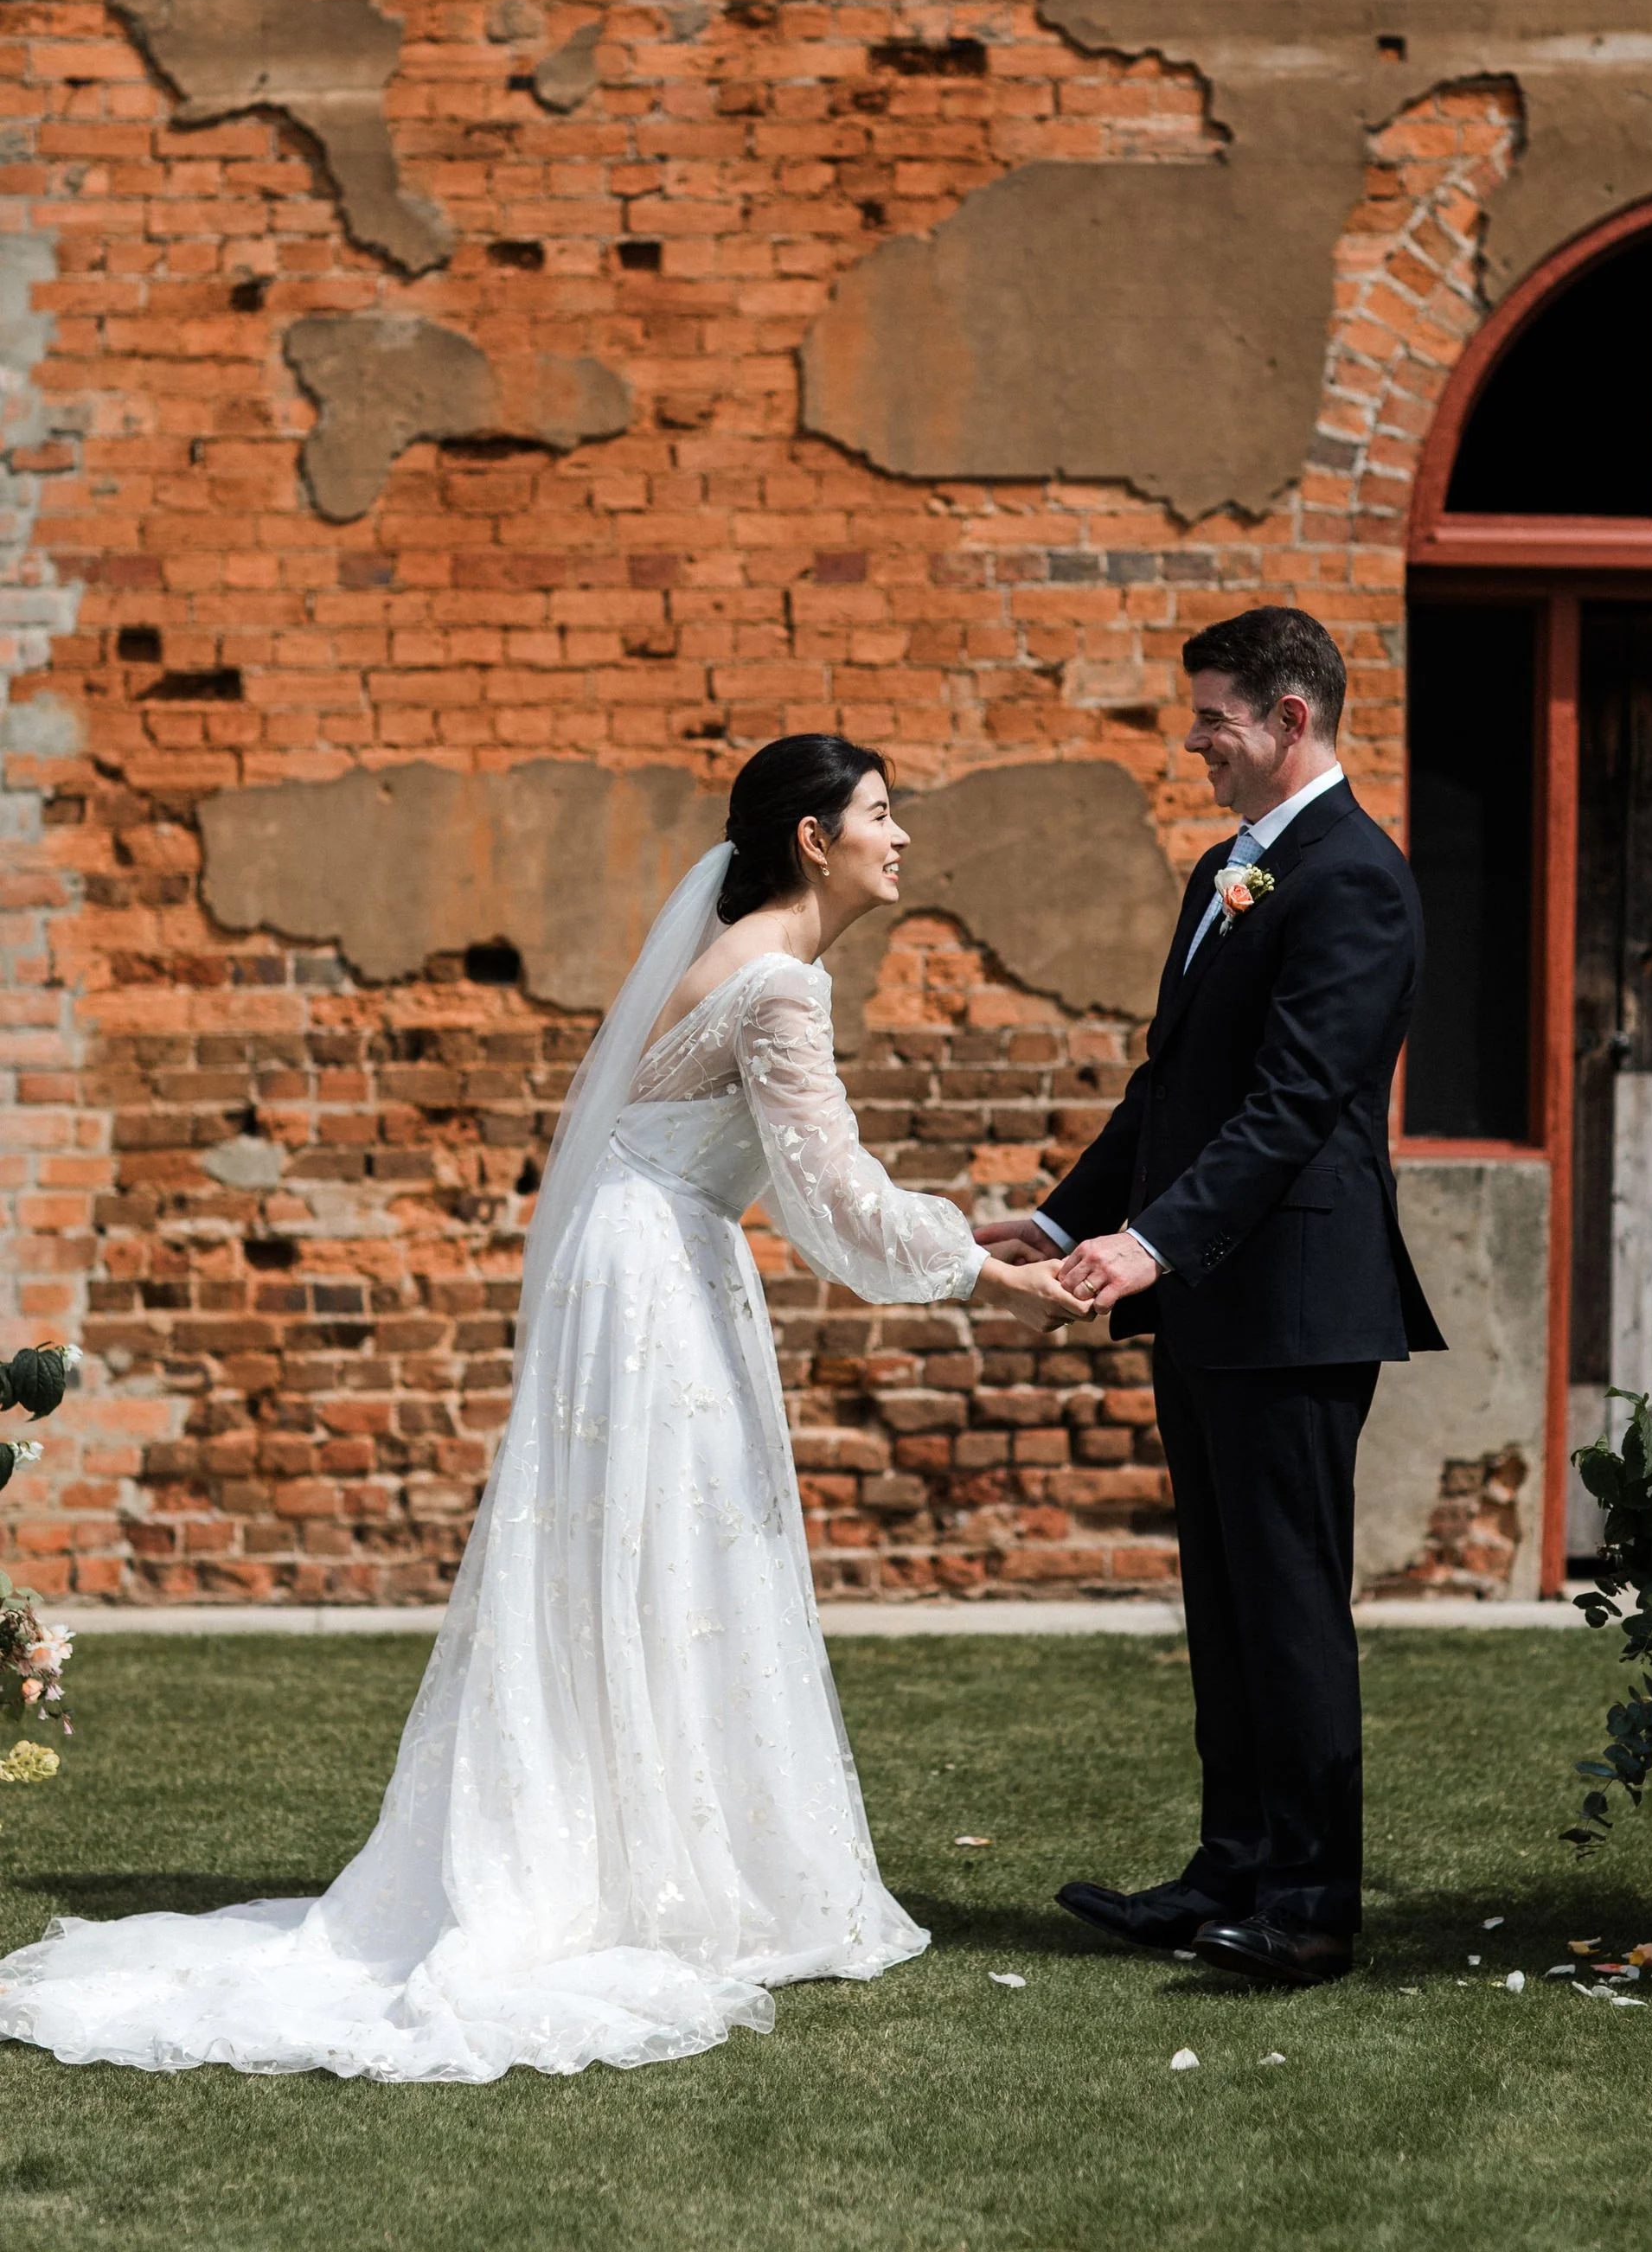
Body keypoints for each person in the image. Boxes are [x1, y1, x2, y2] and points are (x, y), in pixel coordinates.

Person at [0, 736, 1086, 2082]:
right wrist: (987, 1276)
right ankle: (640, 1879)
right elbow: (843, 1202)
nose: (902, 836)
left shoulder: (742, 965)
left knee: (636, 1558)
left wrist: (956, 1234)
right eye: (879, 813)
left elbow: (807, 1188)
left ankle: (629, 1848)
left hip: (635, 1262)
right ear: (815, 840)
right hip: (658, 1281)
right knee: (674, 1553)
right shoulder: (781, 989)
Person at [979, 607, 1444, 1989]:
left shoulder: (1356, 878)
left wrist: (1152, 1244)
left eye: (1215, 721)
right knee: (1228, 1599)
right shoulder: (1223, 876)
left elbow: (1295, 1104)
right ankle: (1229, 1870)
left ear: (1291, 720)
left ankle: (1309, 1905)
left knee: (1290, 1600)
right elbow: (1172, 1090)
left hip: (1296, 1293)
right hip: (1210, 1299)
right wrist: (1069, 1214)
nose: (1197, 746)